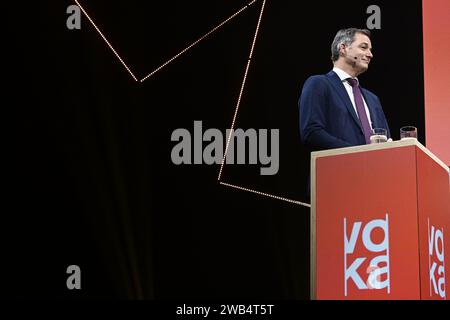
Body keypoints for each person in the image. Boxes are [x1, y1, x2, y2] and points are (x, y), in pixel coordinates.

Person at [298, 28, 390, 150]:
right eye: (363, 47)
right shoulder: (319, 84)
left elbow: (386, 141)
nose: (370, 54)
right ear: (343, 49)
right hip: (338, 166)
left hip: (375, 167)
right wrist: (357, 153)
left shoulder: (373, 100)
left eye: (370, 50)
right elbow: (311, 132)